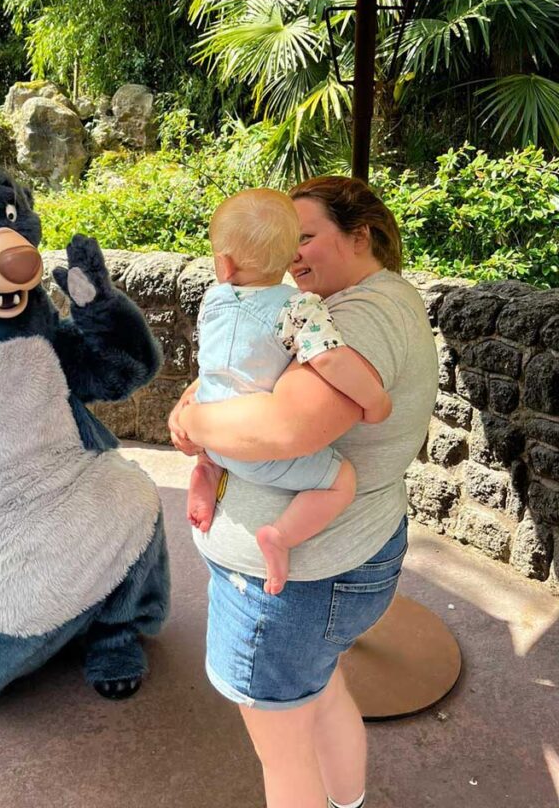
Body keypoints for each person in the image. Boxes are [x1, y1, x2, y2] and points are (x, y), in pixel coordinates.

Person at [169, 176, 438, 808]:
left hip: (294, 586)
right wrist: (200, 415)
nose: (293, 256)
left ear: (360, 235)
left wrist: (191, 424)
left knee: (283, 753)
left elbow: (286, 426)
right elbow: (238, 381)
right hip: (323, 570)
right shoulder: (319, 306)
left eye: (306, 237)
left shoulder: (360, 313)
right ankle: (349, 800)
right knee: (318, 694)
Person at [187, 188, 392, 595]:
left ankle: (207, 470)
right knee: (341, 480)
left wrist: (195, 426)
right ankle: (280, 536)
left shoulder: (213, 298)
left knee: (218, 447)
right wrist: (375, 401)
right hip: (253, 450)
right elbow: (331, 359)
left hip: (210, 432)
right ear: (288, 259)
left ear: (223, 265)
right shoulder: (298, 308)